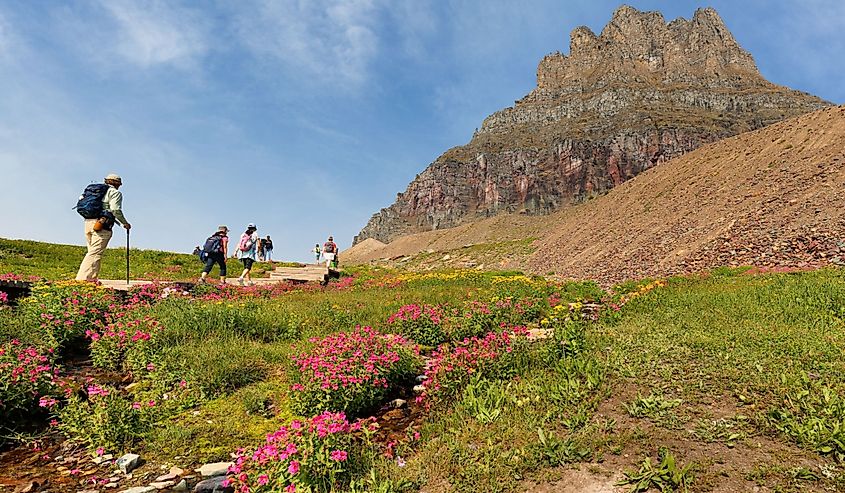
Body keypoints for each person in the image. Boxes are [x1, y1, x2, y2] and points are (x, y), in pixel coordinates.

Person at [75, 174, 131, 281]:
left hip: (88, 222)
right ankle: (83, 280)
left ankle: (91, 279)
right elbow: (115, 210)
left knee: (92, 252)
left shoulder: (96, 191)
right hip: (102, 224)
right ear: (117, 184)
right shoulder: (115, 192)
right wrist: (125, 223)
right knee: (95, 253)